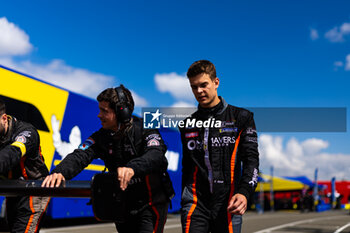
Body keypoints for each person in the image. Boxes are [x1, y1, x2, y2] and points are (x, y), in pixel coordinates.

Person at [42, 85, 174, 233]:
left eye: (104, 111)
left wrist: (132, 168)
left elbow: (155, 154)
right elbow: (80, 155)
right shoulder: (101, 136)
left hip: (151, 203)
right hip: (122, 203)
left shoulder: (145, 130)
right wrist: (60, 172)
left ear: (121, 113)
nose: (99, 115)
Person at [180, 60, 259, 233]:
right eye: (194, 87)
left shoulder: (242, 117)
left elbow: (251, 160)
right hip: (195, 203)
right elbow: (187, 166)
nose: (199, 91)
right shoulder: (186, 125)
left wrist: (245, 192)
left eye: (203, 85)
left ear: (216, 82)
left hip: (228, 202)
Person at [0, 97, 50, 233]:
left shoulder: (26, 131)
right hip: (13, 190)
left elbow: (12, 152)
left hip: (34, 189)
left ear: (4, 118)